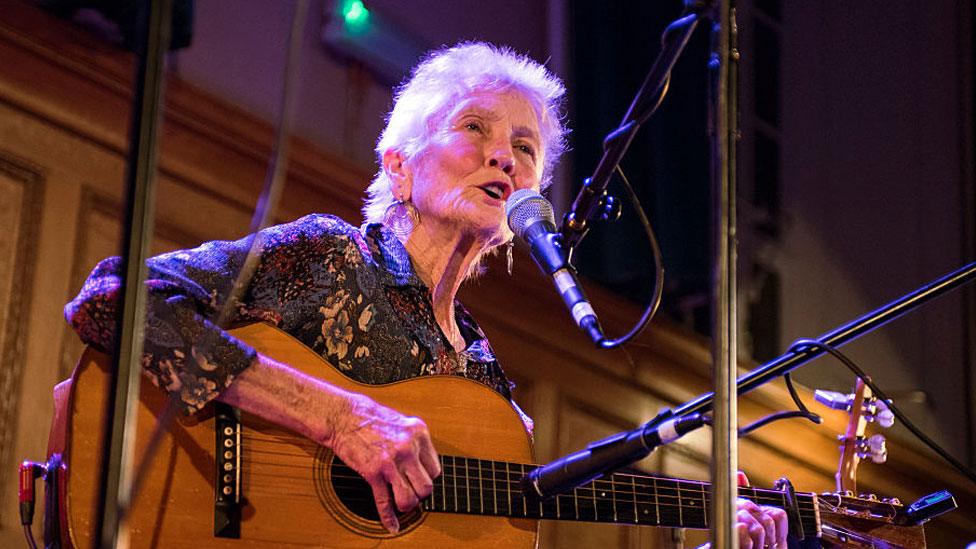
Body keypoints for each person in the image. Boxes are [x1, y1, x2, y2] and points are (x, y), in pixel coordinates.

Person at [65, 42, 787, 547]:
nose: (504, 154)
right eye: (475, 128)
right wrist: (336, 415)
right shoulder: (328, 256)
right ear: (400, 166)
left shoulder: (485, 380)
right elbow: (112, 300)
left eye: (526, 148)